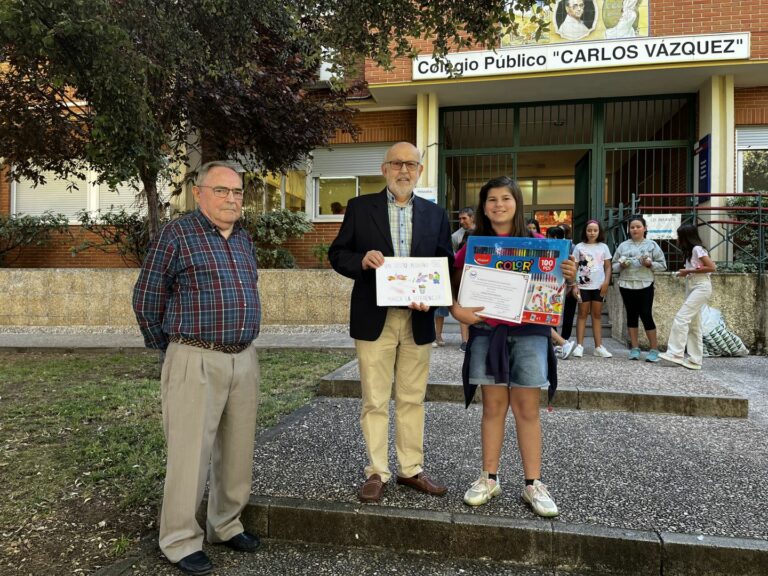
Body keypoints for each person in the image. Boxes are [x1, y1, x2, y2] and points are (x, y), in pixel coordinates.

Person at [133, 161, 261, 576]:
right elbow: (147, 297)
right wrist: (169, 350)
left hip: (244, 356)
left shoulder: (242, 238)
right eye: (222, 190)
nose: (231, 199)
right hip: (194, 355)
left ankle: (225, 524)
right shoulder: (178, 234)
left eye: (237, 192)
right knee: (190, 453)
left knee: (237, 450)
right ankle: (179, 539)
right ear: (199, 193)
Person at [329, 142, 454, 503]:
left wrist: (431, 298)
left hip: (417, 319)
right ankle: (377, 471)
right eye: (397, 163)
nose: (404, 170)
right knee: (375, 399)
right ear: (384, 169)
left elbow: (445, 267)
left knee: (413, 398)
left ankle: (410, 469)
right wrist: (361, 260)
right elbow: (337, 254)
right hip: (374, 317)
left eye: (411, 164)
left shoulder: (435, 214)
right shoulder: (359, 208)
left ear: (419, 170)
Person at [450, 176, 577, 516]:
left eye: (506, 198)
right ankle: (489, 477)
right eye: (492, 199)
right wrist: (457, 310)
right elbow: (455, 286)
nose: (499, 205)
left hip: (531, 334)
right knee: (492, 408)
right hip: (487, 334)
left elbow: (555, 290)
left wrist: (568, 275)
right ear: (483, 205)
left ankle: (533, 484)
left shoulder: (541, 244)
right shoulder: (473, 245)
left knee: (527, 408)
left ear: (518, 203)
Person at [659, 224, 717, 370]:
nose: (678, 239)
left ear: (686, 237)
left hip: (701, 287)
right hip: (693, 286)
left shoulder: (697, 249)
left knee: (681, 318)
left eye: (680, 236)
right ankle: (695, 360)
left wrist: (688, 270)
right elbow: (697, 269)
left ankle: (675, 353)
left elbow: (711, 267)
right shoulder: (690, 251)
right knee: (694, 325)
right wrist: (685, 272)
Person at [612, 215, 667, 362]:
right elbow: (613, 266)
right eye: (632, 227)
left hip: (645, 284)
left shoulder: (652, 245)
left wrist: (650, 264)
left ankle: (654, 349)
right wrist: (621, 265)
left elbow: (663, 265)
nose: (635, 229)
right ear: (629, 230)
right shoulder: (623, 246)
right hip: (626, 284)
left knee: (646, 315)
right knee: (631, 315)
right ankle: (634, 349)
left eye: (638, 226)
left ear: (645, 228)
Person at [572, 219, 613, 358]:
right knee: (582, 314)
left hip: (599, 286)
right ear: (585, 231)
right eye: (589, 230)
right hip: (582, 286)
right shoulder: (578, 247)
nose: (592, 233)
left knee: (596, 315)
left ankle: (598, 346)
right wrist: (574, 285)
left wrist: (606, 282)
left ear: (599, 231)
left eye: (595, 230)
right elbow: (574, 267)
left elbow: (608, 266)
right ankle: (579, 346)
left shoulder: (604, 247)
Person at [546, 226, 574, 360]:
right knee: (542, 319)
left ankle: (562, 343)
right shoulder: (567, 246)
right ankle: (559, 343)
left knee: (541, 320)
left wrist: (571, 283)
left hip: (551, 285)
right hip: (551, 285)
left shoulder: (562, 247)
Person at [451, 207, 476, 351]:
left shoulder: (483, 232)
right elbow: (455, 256)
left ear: (472, 218)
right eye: (459, 219)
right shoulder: (455, 236)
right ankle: (464, 340)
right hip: (463, 275)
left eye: (464, 218)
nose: (461, 221)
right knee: (462, 304)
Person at [559, 223, 578, 343]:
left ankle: (565, 338)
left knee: (569, 311)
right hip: (556, 282)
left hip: (571, 281)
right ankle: (555, 338)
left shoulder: (574, 246)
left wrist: (574, 282)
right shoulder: (551, 244)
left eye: (562, 232)